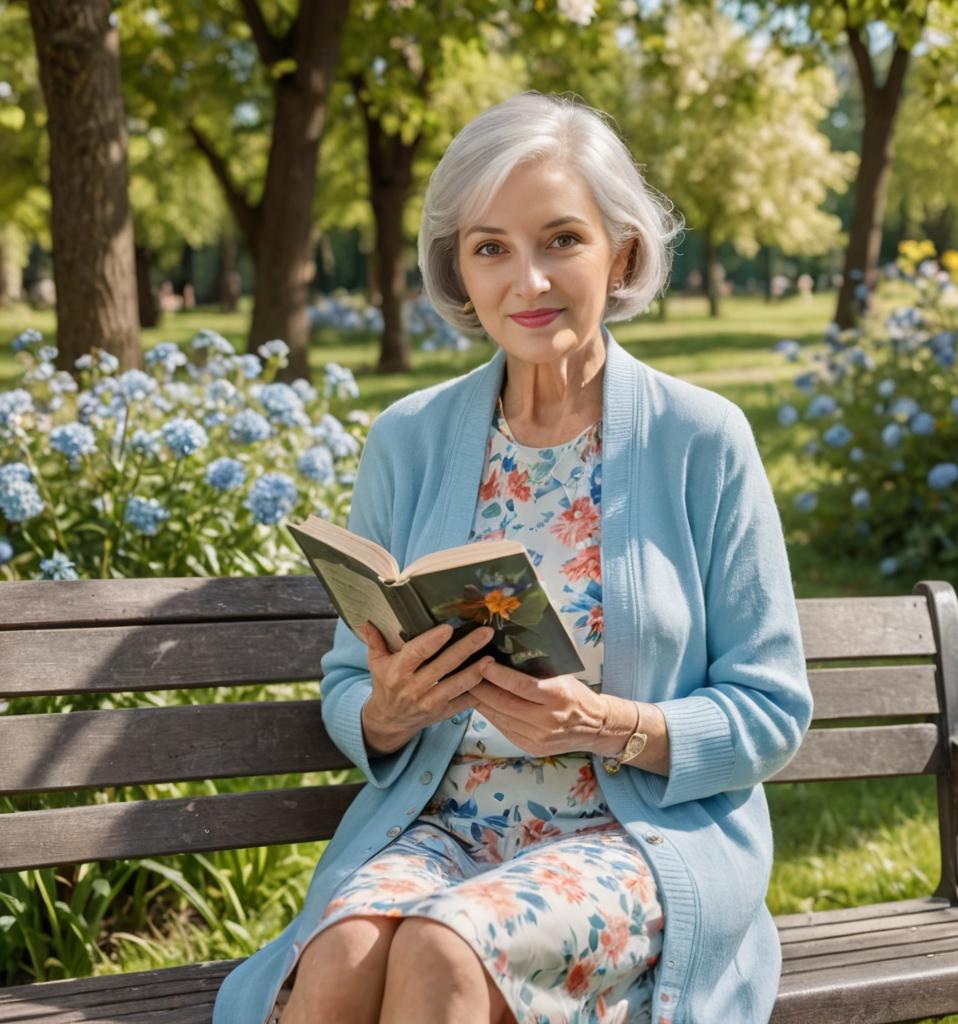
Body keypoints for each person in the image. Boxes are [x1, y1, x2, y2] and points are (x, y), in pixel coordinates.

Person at [212, 90, 813, 1024]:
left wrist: (609, 725)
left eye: (561, 239)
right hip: (441, 825)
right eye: (491, 247)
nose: (527, 281)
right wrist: (384, 712)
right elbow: (344, 684)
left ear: (621, 252)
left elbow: (771, 710)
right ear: (459, 268)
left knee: (446, 953)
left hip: (634, 839)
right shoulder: (407, 439)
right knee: (339, 962)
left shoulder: (703, 439)